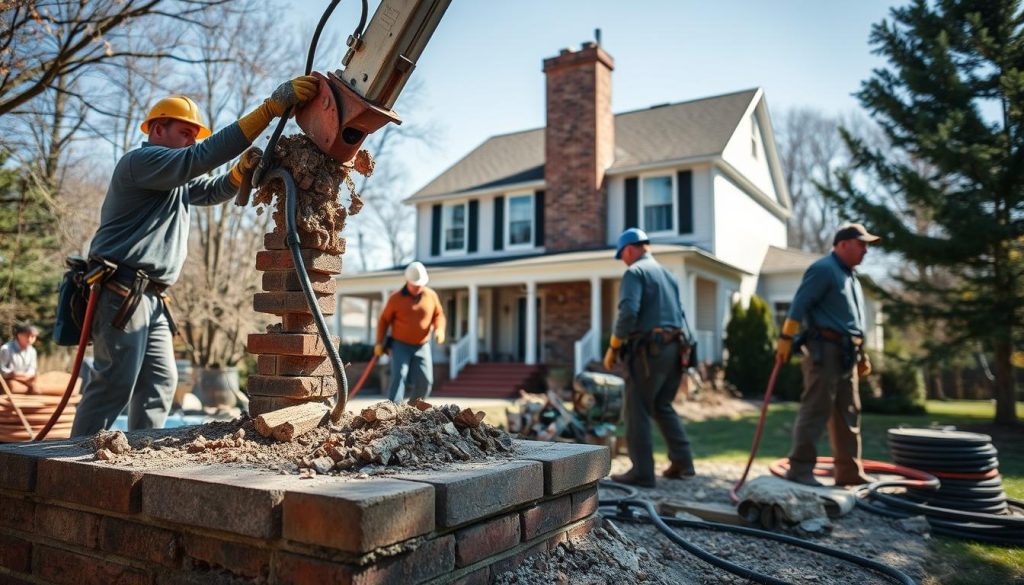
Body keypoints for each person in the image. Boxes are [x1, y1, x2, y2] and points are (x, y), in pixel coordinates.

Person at [71, 76, 320, 437]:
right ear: (158, 129)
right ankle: (76, 459)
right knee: (115, 382)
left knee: (159, 382)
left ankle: (138, 453)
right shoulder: (141, 163)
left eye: (194, 134)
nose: (192, 139)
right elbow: (199, 159)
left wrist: (239, 174)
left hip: (151, 296)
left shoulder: (171, 181)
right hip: (121, 289)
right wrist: (268, 110)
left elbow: (211, 190)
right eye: (185, 132)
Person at [776, 223, 880, 486]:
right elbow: (800, 304)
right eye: (862, 244)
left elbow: (850, 320)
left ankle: (848, 472)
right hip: (825, 352)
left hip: (847, 353)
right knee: (815, 410)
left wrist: (861, 351)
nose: (866, 250)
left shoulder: (850, 276)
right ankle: (799, 470)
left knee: (848, 413)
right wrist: (786, 338)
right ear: (843, 244)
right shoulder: (823, 269)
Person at [603, 228, 695, 487]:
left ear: (630, 249)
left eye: (622, 255)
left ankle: (642, 472)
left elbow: (629, 311)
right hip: (675, 350)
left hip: (648, 353)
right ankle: (683, 462)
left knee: (637, 408)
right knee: (662, 405)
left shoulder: (635, 272)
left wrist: (615, 344)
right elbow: (680, 314)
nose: (623, 260)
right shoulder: (668, 275)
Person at [375, 261, 447, 403]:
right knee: (399, 376)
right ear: (407, 281)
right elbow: (383, 320)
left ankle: (412, 411)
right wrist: (378, 342)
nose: (418, 288)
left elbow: (439, 315)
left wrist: (440, 330)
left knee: (426, 381)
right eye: (415, 285)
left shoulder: (431, 296)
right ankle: (393, 410)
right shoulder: (395, 299)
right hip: (400, 345)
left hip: (422, 345)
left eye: (420, 285)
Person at [1, 323, 39, 393]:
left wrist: (27, 376)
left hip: (26, 381)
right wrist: (14, 374)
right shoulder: (6, 349)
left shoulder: (32, 351)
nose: (30, 339)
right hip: (7, 383)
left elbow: (32, 368)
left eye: (33, 336)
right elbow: (2, 369)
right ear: (19, 335)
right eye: (27, 336)